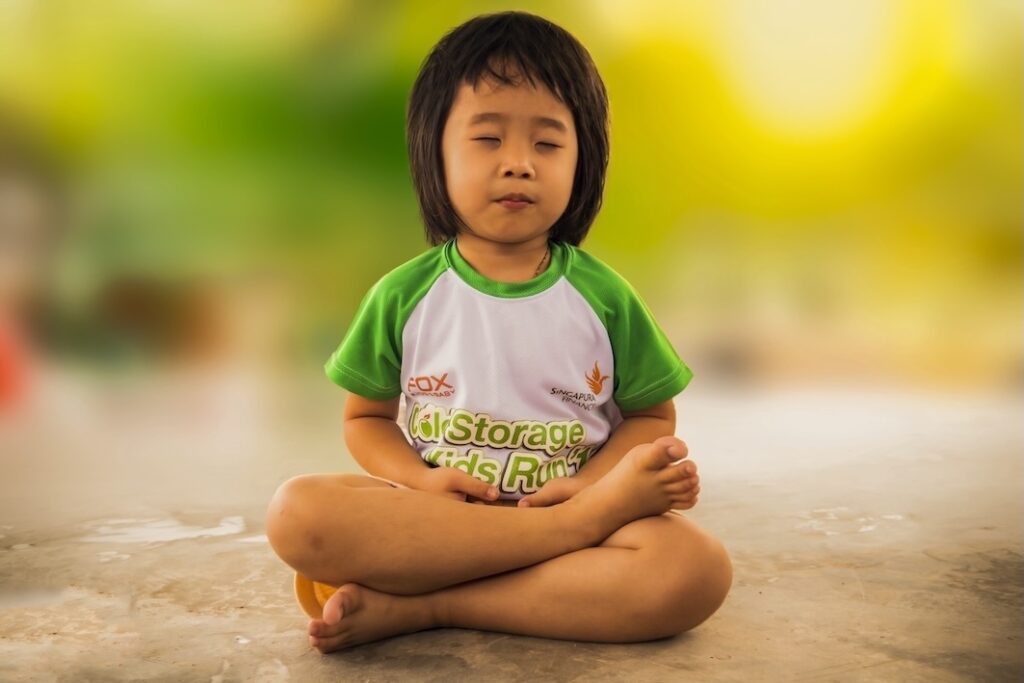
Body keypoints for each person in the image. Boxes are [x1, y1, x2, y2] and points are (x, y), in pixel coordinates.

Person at [266, 10, 732, 654]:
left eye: (547, 144)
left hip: (567, 506)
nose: (518, 164)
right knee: (298, 515)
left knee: (693, 571)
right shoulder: (404, 294)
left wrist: (591, 486)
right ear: (436, 151)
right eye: (487, 139)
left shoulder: (605, 298)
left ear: (583, 161)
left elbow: (651, 417)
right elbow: (364, 420)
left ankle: (430, 605)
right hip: (438, 527)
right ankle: (551, 544)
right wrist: (423, 481)